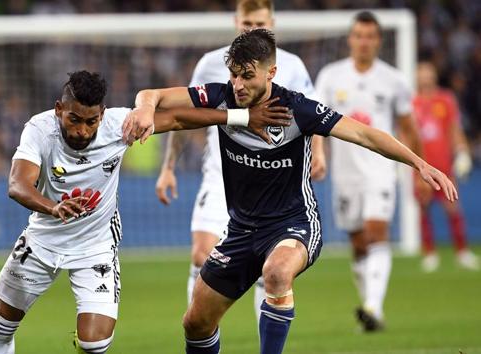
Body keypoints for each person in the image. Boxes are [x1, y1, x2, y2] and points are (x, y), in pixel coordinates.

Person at [124, 29, 456, 354]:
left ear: (271, 72)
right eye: (234, 75)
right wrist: (144, 108)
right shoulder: (222, 96)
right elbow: (153, 96)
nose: (238, 84)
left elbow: (366, 135)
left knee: (278, 272)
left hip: (293, 224)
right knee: (195, 323)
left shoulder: (298, 109)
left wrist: (419, 163)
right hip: (241, 230)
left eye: (247, 76)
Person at [0, 70, 290, 354]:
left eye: (91, 121)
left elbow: (179, 118)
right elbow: (18, 184)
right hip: (43, 239)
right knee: (1, 326)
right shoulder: (39, 130)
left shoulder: (119, 126)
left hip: (94, 246)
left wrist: (243, 116)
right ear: (59, 109)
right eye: (74, 119)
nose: (83, 131)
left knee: (94, 343)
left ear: (101, 114)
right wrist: (53, 206)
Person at [154, 0, 326, 323]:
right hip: (221, 173)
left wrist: (319, 154)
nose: (252, 29)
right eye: (247, 23)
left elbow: (313, 114)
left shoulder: (292, 66)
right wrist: (168, 167)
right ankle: (199, 325)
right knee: (200, 253)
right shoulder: (211, 63)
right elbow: (187, 118)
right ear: (236, 20)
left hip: (271, 181)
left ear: (272, 21)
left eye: (259, 23)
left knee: (271, 269)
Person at [314, 11, 423, 331]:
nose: (363, 41)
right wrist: (318, 153)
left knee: (376, 234)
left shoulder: (394, 80)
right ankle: (371, 312)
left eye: (370, 36)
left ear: (378, 41)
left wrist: (420, 169)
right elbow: (316, 122)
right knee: (359, 243)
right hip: (345, 174)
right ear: (351, 39)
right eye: (358, 35)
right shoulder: (331, 76)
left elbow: (409, 128)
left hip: (381, 171)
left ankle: (373, 306)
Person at [413, 61, 478, 272]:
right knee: (423, 207)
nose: (425, 77)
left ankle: (462, 251)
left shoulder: (446, 99)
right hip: (420, 165)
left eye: (428, 72)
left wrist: (462, 152)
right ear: (416, 77)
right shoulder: (411, 102)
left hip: (443, 165)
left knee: (452, 206)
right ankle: (429, 253)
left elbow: (454, 129)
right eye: (421, 73)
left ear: (434, 74)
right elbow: (406, 134)